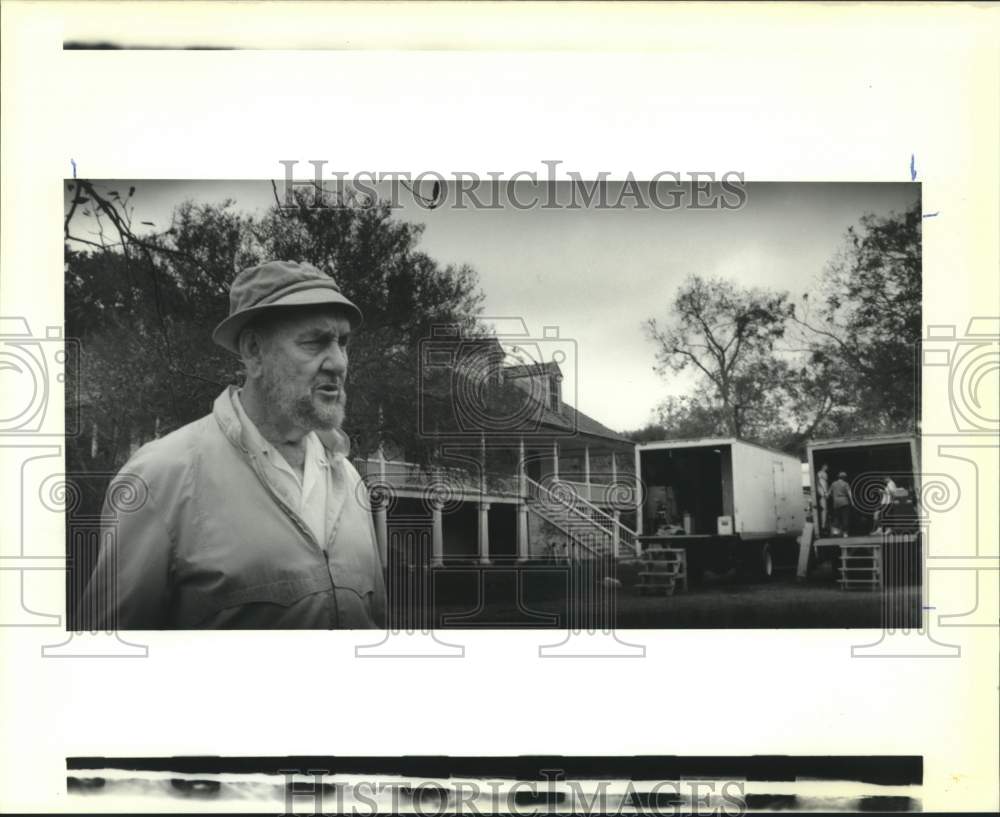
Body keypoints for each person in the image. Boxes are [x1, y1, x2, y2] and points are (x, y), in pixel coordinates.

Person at [78, 260, 386, 629]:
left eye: (343, 342)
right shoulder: (161, 476)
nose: (338, 362)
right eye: (315, 342)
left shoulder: (348, 479)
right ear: (254, 351)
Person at [829, 471, 852, 537]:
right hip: (845, 502)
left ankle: (836, 531)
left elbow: (829, 493)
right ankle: (845, 533)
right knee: (845, 517)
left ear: (838, 477)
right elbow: (849, 494)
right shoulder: (846, 484)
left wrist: (830, 495)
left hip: (836, 503)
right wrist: (852, 502)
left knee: (837, 517)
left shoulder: (833, 484)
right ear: (844, 478)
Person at [816, 463, 831, 535]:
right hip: (823, 494)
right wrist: (824, 492)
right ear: (823, 466)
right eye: (826, 467)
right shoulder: (820, 473)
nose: (827, 468)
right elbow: (820, 483)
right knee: (824, 510)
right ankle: (823, 526)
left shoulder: (824, 474)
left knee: (825, 510)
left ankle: (824, 525)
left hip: (824, 493)